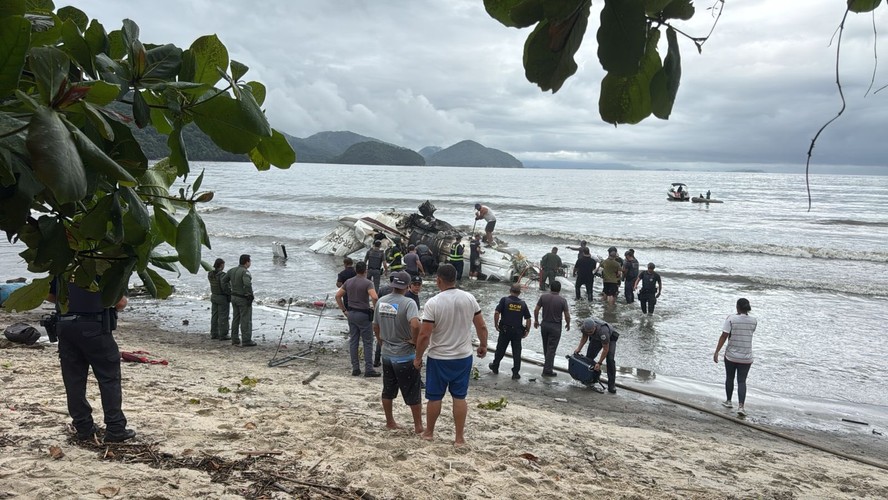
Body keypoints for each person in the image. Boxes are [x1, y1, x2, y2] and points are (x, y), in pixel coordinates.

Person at [48, 278, 135, 442]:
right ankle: (115, 428)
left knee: (73, 380)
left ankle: (83, 427)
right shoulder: (103, 265)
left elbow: (49, 294)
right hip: (95, 326)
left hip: (65, 326)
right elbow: (120, 303)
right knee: (109, 378)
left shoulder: (63, 263)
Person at [413, 264, 488, 446]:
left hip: (439, 357)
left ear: (438, 280)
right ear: (455, 278)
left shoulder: (434, 303)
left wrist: (418, 357)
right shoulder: (469, 298)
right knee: (459, 397)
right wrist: (483, 345)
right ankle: (459, 438)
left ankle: (429, 432)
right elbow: (481, 326)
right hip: (463, 356)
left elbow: (424, 335)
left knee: (435, 397)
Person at [372, 271, 424, 433]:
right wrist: (414, 341)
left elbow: (375, 325)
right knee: (412, 392)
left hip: (387, 353)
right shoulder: (409, 303)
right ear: (408, 286)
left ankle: (390, 422)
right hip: (404, 355)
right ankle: (418, 426)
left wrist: (381, 341)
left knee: (388, 390)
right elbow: (415, 325)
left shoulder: (381, 301)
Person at [713, 298, 757, 417]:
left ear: (737, 307)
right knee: (742, 381)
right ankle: (741, 406)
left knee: (730, 377)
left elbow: (724, 335)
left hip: (731, 355)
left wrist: (717, 351)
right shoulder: (753, 320)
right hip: (746, 356)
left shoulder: (731, 319)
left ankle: (728, 401)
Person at [336, 261, 380, 377]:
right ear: (365, 270)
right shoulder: (368, 283)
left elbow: (338, 296)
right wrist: (376, 310)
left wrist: (344, 310)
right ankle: (369, 369)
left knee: (354, 341)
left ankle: (355, 368)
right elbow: (374, 297)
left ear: (356, 270)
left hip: (351, 313)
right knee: (367, 342)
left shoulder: (348, 282)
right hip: (363, 314)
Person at [489, 283, 531, 379]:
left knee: (500, 349)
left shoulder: (504, 300)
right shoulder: (523, 304)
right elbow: (528, 318)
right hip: (517, 331)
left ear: (510, 290)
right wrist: (527, 330)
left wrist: (496, 324)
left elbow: (496, 313)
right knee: (517, 352)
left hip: (505, 330)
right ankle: (515, 373)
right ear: (519, 292)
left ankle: (495, 366)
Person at [573, 317, 619, 394]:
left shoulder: (603, 331)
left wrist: (599, 363)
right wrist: (578, 348)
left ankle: (611, 385)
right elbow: (584, 337)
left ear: (595, 327)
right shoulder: (584, 328)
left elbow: (605, 349)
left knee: (610, 359)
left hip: (609, 339)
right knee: (589, 357)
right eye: (588, 332)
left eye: (591, 332)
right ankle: (588, 379)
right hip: (596, 338)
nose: (589, 333)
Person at [534, 280, 570, 377]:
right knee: (551, 349)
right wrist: (568, 323)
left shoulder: (543, 297)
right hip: (555, 326)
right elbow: (567, 315)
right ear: (559, 289)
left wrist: (536, 321)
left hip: (544, 324)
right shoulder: (562, 300)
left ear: (550, 288)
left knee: (546, 347)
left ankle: (547, 366)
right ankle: (547, 370)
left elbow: (536, 310)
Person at [228, 254, 256, 346]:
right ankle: (246, 340)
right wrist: (250, 295)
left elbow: (224, 280)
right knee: (245, 319)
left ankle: (234, 338)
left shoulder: (232, 270)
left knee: (235, 318)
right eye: (250, 261)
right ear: (246, 262)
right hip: (242, 298)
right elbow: (247, 284)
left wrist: (230, 290)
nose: (250, 263)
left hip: (234, 297)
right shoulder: (245, 272)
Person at [208, 258, 230, 340]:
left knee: (214, 315)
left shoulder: (210, 274)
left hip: (214, 295)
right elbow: (225, 287)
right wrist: (229, 293)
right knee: (223, 316)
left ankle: (214, 333)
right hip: (222, 297)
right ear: (221, 265)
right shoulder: (222, 275)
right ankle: (223, 334)